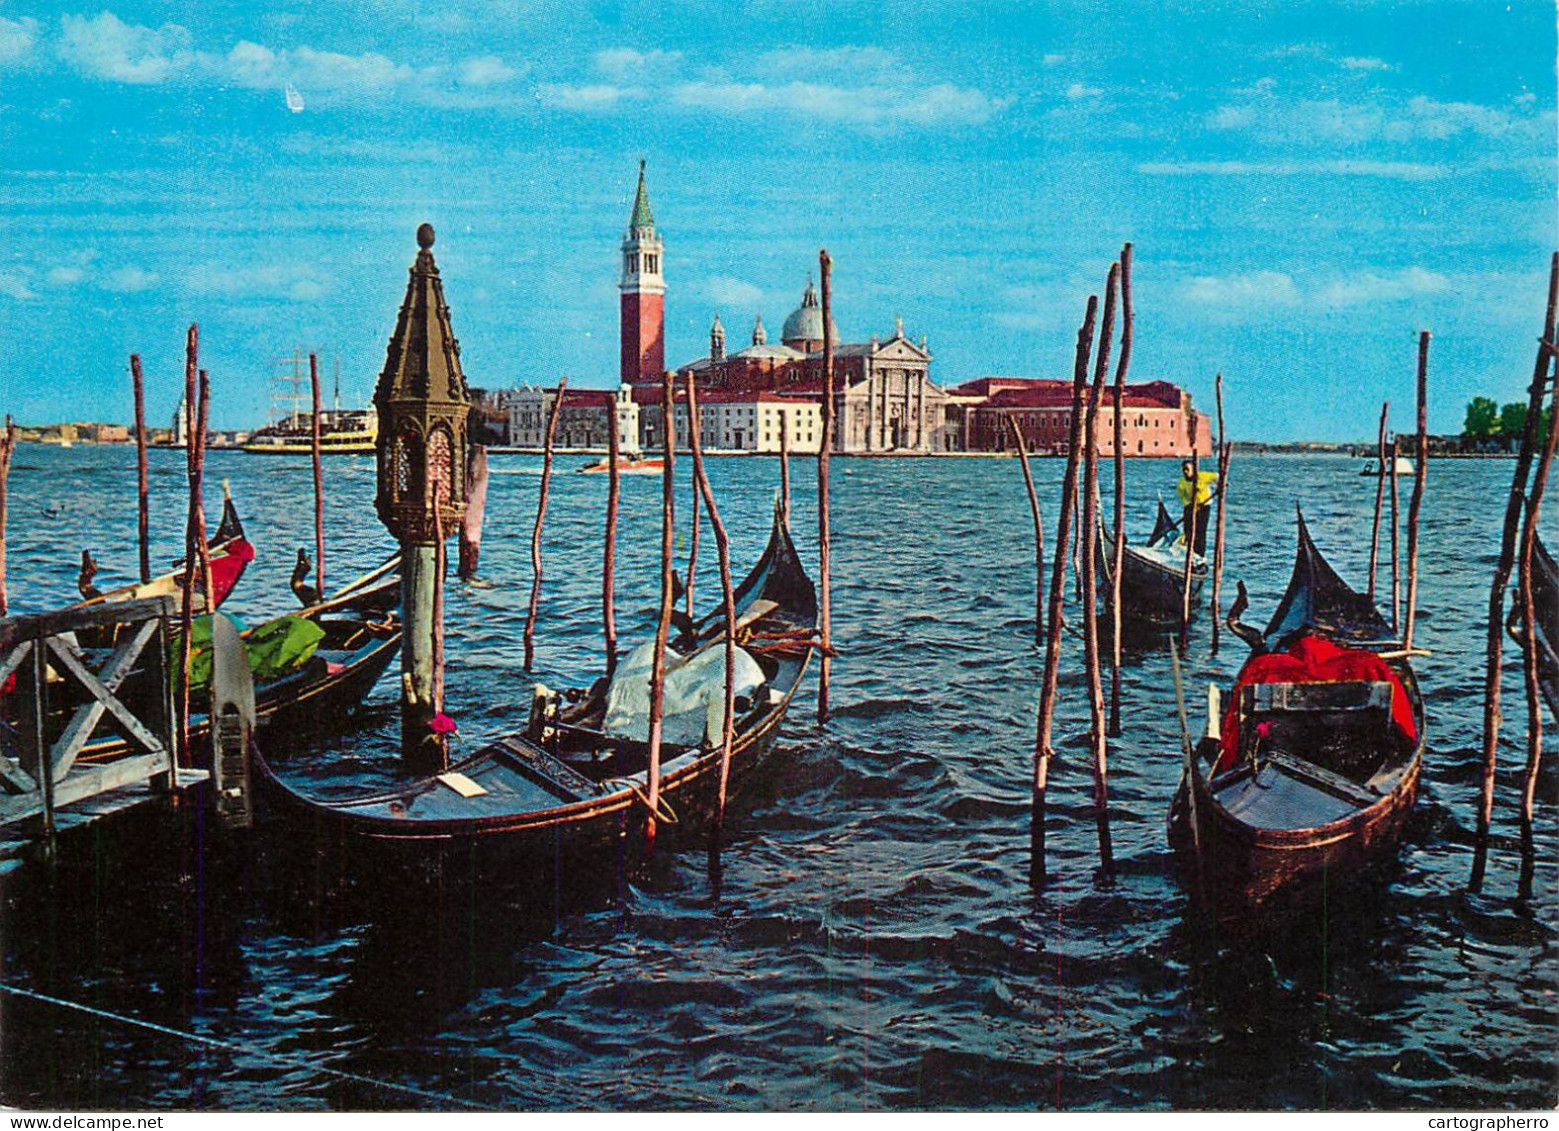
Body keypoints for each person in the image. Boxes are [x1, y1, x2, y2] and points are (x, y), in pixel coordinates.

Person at [1176, 458, 1219, 556]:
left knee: (1200, 532)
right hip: (1190, 507)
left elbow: (1217, 476)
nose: (1185, 472)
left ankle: (1199, 555)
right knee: (1188, 530)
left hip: (1204, 507)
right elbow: (1182, 497)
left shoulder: (1202, 476)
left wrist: (1218, 486)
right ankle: (1188, 552)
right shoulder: (1181, 482)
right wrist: (1190, 506)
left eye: (1187, 469)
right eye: (1184, 470)